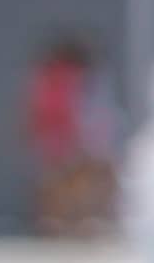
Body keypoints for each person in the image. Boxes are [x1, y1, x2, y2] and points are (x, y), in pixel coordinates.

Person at [25, 35, 119, 236]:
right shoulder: (62, 78)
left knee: (68, 180)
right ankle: (66, 220)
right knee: (66, 181)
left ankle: (70, 219)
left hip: (66, 135)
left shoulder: (63, 77)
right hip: (63, 135)